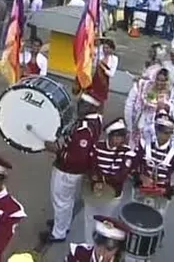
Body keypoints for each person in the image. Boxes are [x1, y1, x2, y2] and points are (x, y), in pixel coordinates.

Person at [41, 93, 102, 244]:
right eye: (80, 104)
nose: (79, 107)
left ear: (92, 108)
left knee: (61, 200)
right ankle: (62, 224)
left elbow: (77, 158)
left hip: (68, 170)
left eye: (83, 105)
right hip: (71, 169)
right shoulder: (96, 121)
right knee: (66, 200)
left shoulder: (85, 129)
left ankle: (58, 233)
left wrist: (56, 150)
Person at [82, 118, 134, 245]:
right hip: (94, 191)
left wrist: (103, 180)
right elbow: (91, 167)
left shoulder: (127, 152)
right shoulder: (97, 147)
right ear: (110, 136)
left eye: (121, 137)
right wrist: (96, 182)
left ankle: (99, 247)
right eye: (116, 137)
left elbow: (121, 175)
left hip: (113, 195)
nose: (119, 140)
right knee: (89, 219)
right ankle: (89, 246)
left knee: (105, 222)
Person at [130, 112, 174, 215]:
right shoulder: (145, 146)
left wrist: (168, 191)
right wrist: (141, 177)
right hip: (141, 191)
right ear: (156, 130)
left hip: (161, 196)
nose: (163, 135)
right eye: (161, 131)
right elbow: (131, 167)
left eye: (167, 133)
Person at [124, 67, 171, 146]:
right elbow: (142, 103)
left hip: (158, 125)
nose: (160, 82)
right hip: (143, 122)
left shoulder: (170, 93)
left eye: (163, 80)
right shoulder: (147, 87)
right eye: (158, 79)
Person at [65, 215, 130, 262]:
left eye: (109, 249)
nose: (102, 252)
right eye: (99, 244)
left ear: (118, 249)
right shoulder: (79, 253)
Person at [88, 39, 118, 104]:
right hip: (94, 80)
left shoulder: (114, 59)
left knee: (99, 103)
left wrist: (102, 67)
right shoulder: (99, 54)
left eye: (107, 48)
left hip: (103, 83)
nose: (105, 50)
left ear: (111, 48)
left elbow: (111, 74)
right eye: (104, 48)